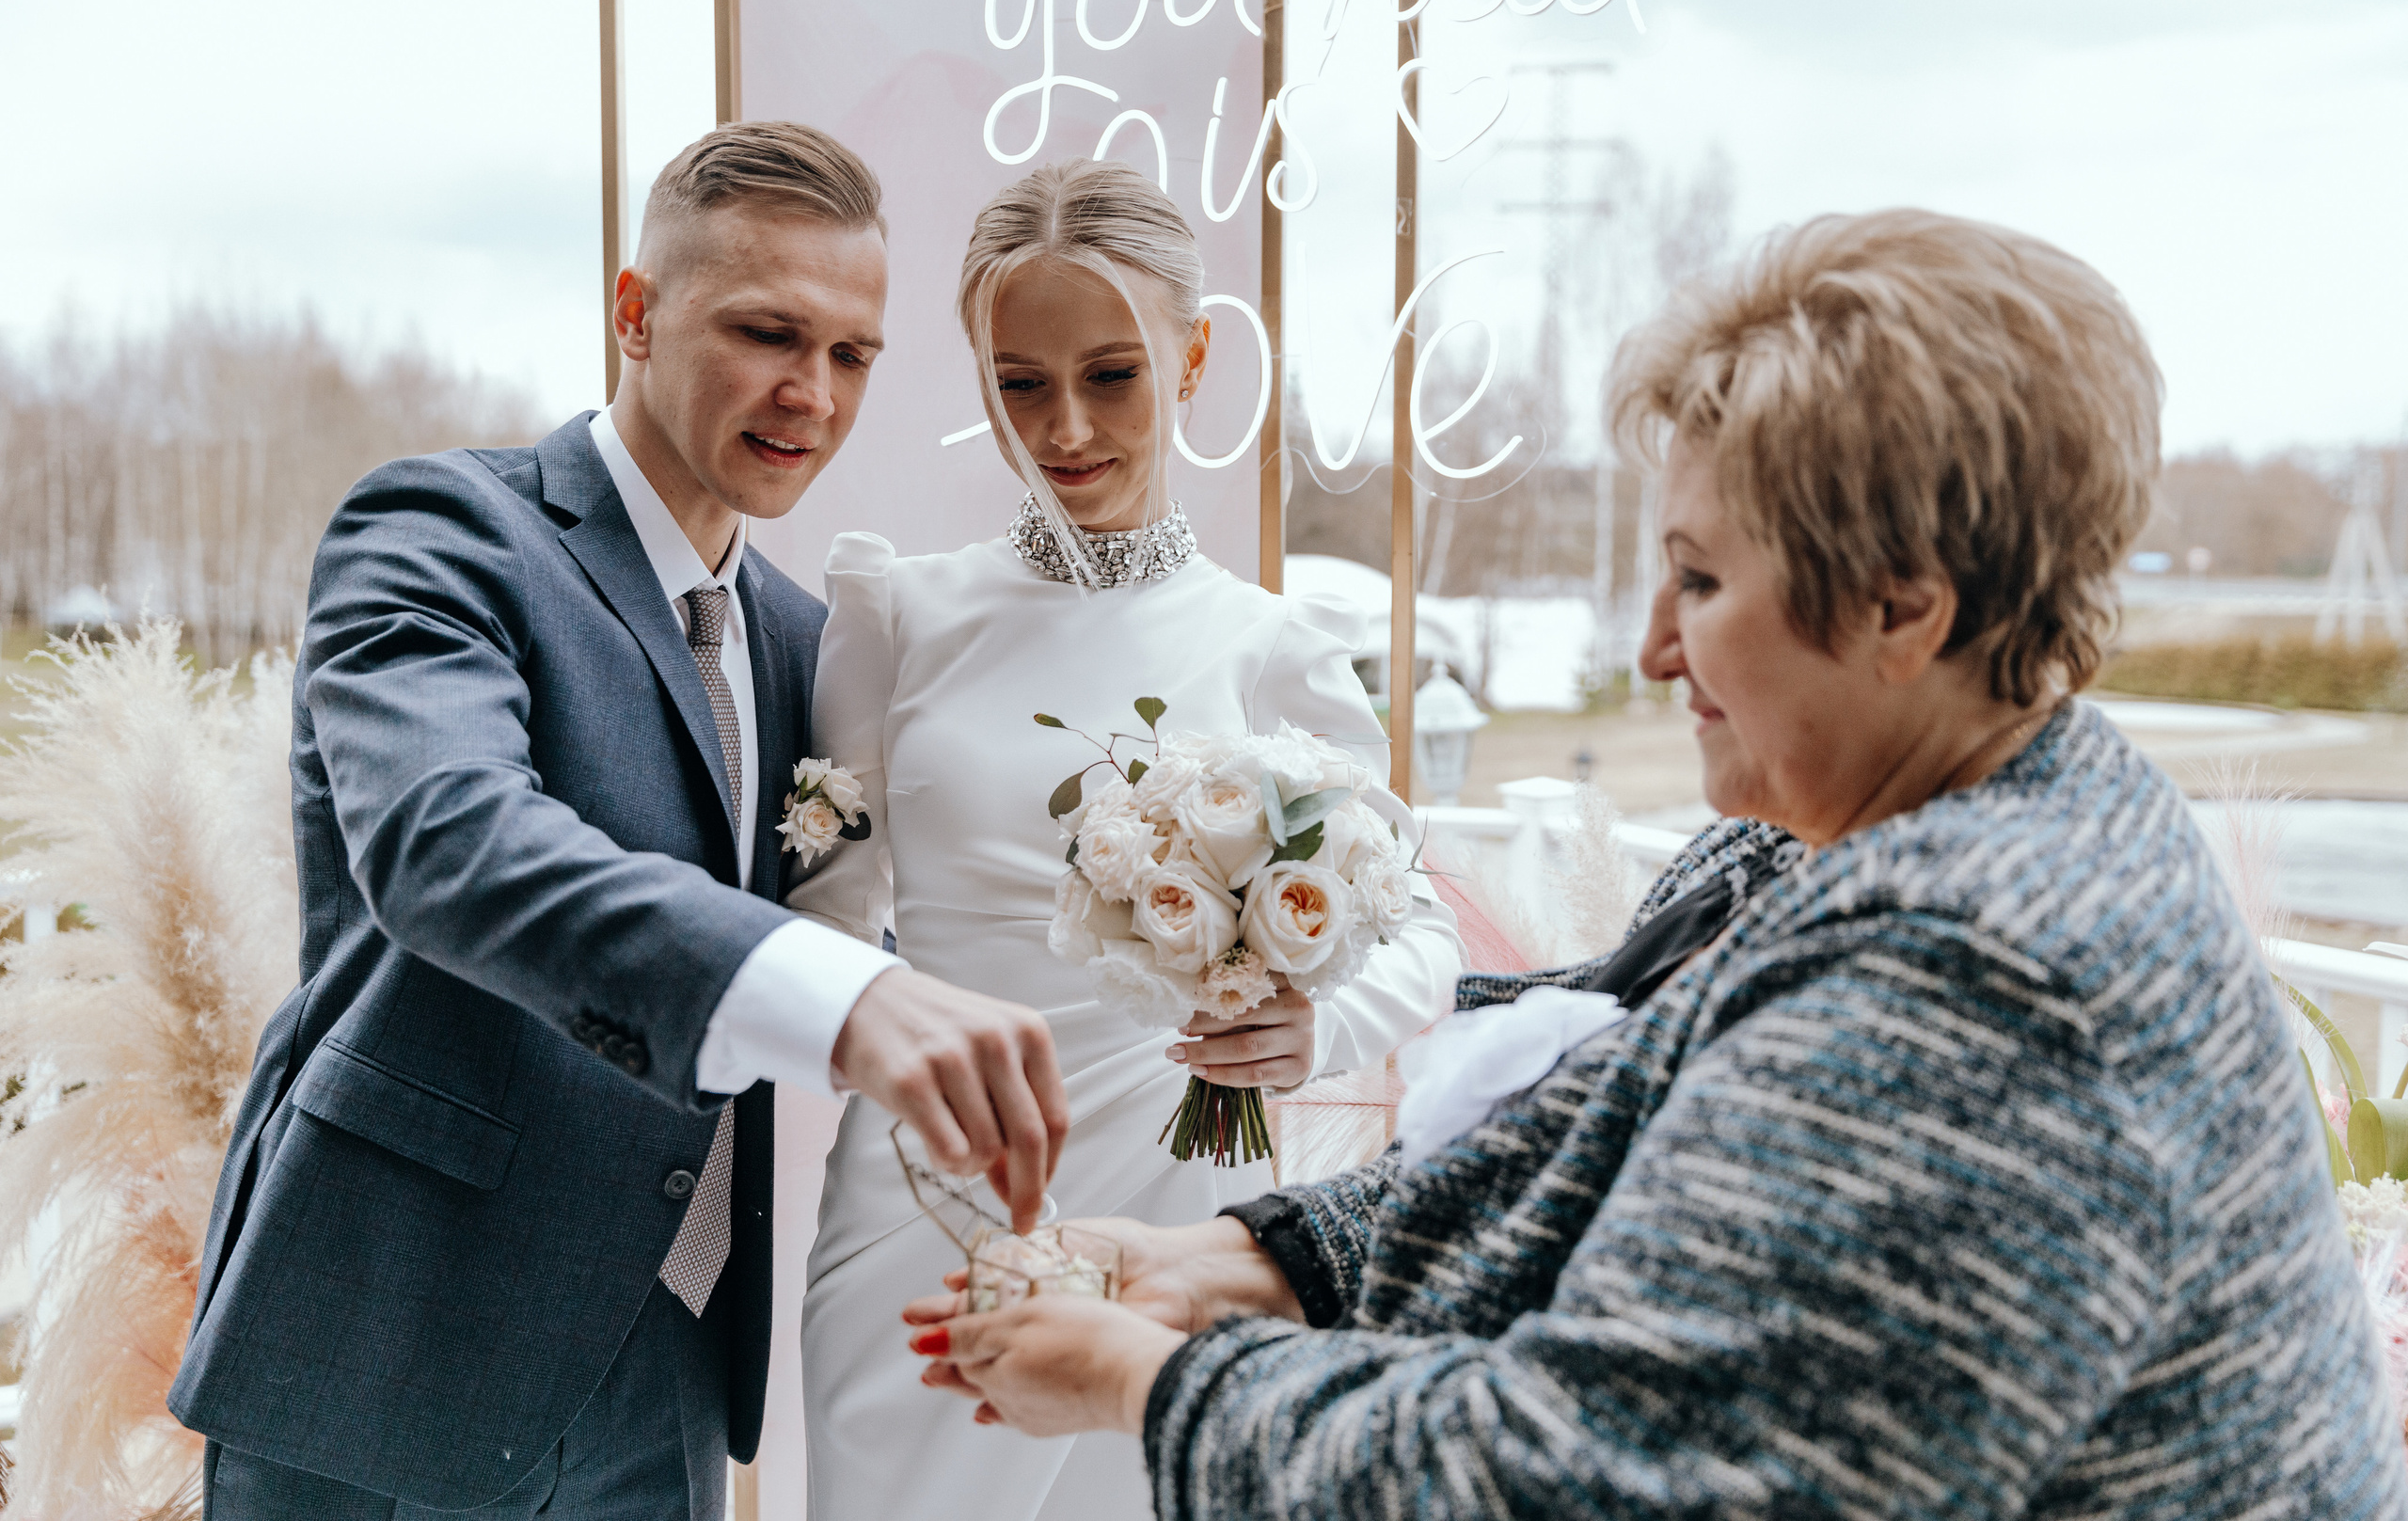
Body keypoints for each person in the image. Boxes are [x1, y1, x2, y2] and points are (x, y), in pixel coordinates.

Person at [899, 209, 2408, 1518]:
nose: (1653, 649)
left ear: (1906, 606)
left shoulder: (1985, 991)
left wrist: (1153, 1384)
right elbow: (1603, 1116)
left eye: (1699, 578)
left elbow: (1582, 1477)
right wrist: (1252, 1260)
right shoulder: (1924, 828)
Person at [168, 122, 1070, 1521]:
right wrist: (848, 1002)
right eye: (769, 332)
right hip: (399, 1341)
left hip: (672, 1367)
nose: (811, 394)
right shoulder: (441, 531)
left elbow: (847, 907)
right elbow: (450, 844)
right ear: (634, 314)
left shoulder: (807, 643)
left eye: (852, 355)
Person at [786, 157, 1460, 1520]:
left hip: (1179, 1212)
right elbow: (827, 926)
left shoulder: (1274, 647)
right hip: (922, 1207)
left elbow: (1425, 932)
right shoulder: (894, 614)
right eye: (1019, 383)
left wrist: (1313, 1030)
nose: (1065, 427)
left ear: (1194, 358)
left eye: (1114, 375)